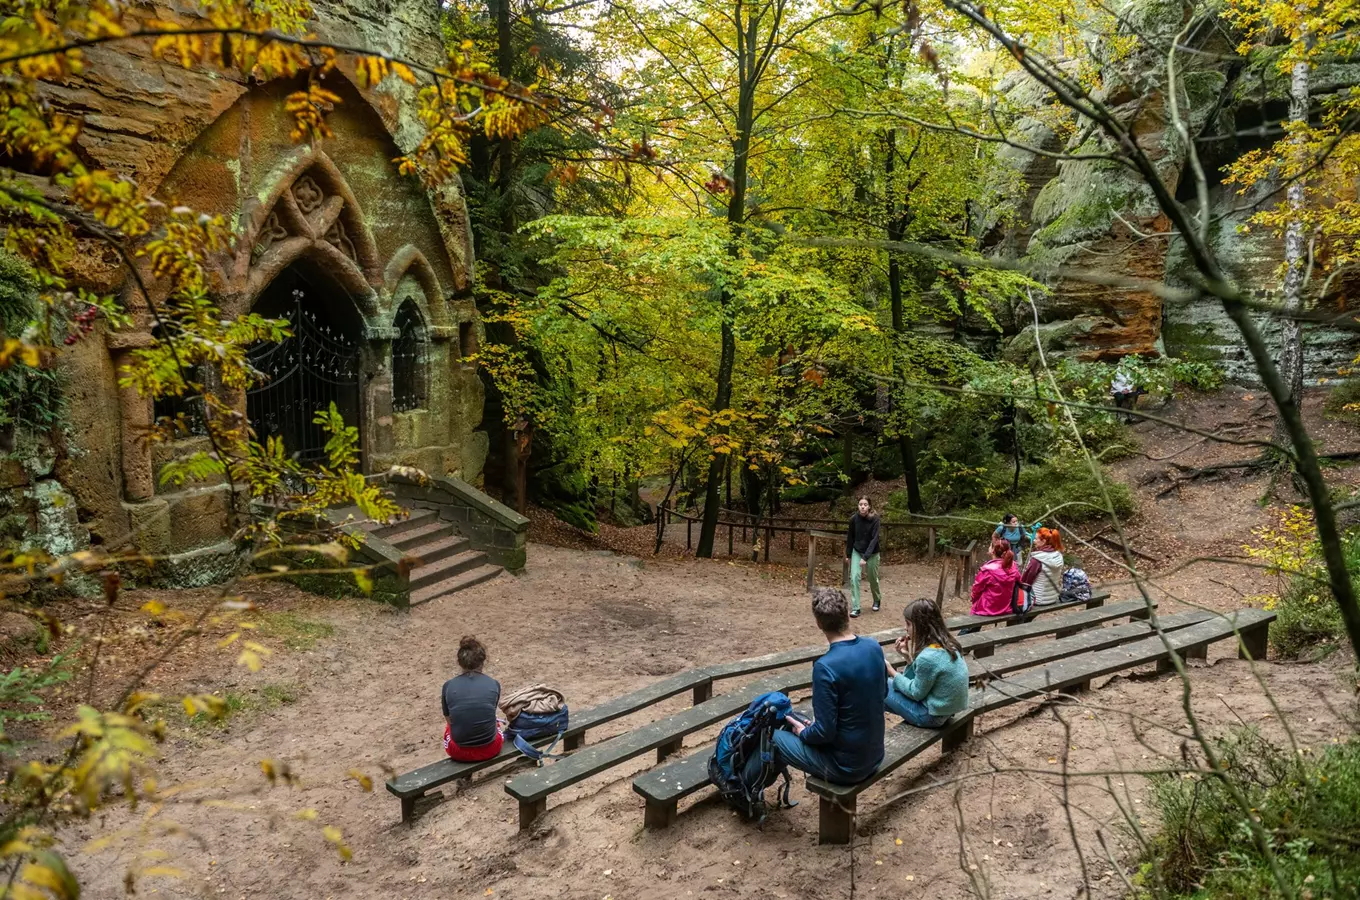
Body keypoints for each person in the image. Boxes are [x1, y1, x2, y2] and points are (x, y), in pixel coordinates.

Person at [774, 587, 886, 785]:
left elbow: (825, 732)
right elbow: (883, 693)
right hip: (875, 755)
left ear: (819, 623)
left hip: (846, 767)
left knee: (773, 737)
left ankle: (745, 790)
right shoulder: (873, 647)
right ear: (847, 615)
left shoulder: (825, 667)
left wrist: (804, 733)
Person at [885, 599, 971, 727]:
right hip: (946, 710)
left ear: (921, 627)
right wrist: (908, 657)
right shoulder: (949, 645)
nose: (905, 628)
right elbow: (923, 678)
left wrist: (890, 670)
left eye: (908, 624)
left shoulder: (928, 657)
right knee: (875, 698)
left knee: (878, 684)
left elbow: (916, 693)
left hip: (930, 716)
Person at [441, 636, 505, 762]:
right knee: (494, 721)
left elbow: (449, 720)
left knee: (450, 726)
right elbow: (490, 712)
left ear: (459, 662)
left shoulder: (448, 686)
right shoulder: (493, 684)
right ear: (483, 661)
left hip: (458, 752)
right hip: (491, 749)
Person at [967, 538, 1021, 626]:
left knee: (973, 620)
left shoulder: (987, 570)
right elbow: (1019, 581)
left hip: (986, 608)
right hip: (1006, 607)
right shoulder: (1013, 567)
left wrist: (974, 600)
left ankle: (963, 636)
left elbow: (976, 590)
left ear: (993, 551)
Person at [845, 496, 882, 616]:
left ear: (869, 506)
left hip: (872, 553)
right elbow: (850, 537)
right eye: (860, 504)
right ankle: (856, 607)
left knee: (872, 579)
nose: (862, 506)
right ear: (858, 506)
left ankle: (877, 599)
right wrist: (848, 554)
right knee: (854, 577)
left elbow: (874, 539)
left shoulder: (875, 519)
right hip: (857, 550)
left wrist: (865, 557)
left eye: (865, 504)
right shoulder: (853, 519)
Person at [1029, 527, 1066, 607]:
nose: (1034, 541)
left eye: (1036, 539)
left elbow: (1026, 582)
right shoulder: (1058, 555)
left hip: (1036, 598)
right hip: (1052, 598)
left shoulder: (1037, 559)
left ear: (1044, 541)